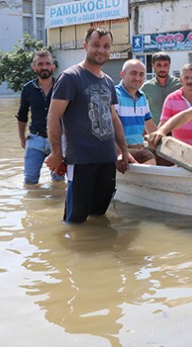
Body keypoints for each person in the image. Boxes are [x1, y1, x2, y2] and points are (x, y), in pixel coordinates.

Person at [45, 27, 132, 224]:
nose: (101, 50)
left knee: (99, 216)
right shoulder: (70, 77)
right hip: (81, 161)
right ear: (85, 46)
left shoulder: (108, 81)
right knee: (75, 220)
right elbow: (53, 116)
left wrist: (124, 151)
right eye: (96, 45)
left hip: (107, 160)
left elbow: (114, 118)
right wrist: (56, 153)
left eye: (106, 46)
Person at [16, 50, 65, 186]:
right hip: (35, 139)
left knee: (58, 181)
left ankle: (57, 206)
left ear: (53, 66)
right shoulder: (27, 89)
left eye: (47, 64)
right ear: (34, 67)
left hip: (58, 140)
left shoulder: (62, 87)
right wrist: (22, 139)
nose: (44, 67)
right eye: (40, 64)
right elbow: (22, 115)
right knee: (29, 181)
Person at [115, 58, 157, 164]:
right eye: (133, 73)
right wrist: (121, 153)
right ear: (123, 74)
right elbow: (110, 129)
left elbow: (150, 126)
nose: (138, 78)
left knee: (168, 160)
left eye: (141, 74)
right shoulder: (114, 95)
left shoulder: (142, 97)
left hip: (140, 147)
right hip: (122, 149)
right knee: (148, 158)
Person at [159, 63, 192, 149]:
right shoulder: (171, 99)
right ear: (181, 80)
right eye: (186, 78)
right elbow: (164, 124)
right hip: (178, 152)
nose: (190, 81)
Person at [140, 52, 181, 126]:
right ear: (153, 66)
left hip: (177, 130)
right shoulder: (147, 87)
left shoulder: (179, 85)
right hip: (156, 130)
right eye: (159, 65)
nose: (162, 68)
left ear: (169, 66)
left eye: (165, 65)